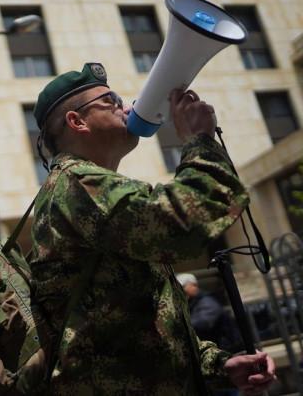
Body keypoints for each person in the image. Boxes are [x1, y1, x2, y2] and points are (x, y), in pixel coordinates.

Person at [29, 62, 276, 395]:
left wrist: (217, 366)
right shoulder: (79, 185)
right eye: (111, 101)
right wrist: (199, 139)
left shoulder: (86, 188)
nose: (127, 108)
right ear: (77, 121)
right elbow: (186, 224)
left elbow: (141, 326)